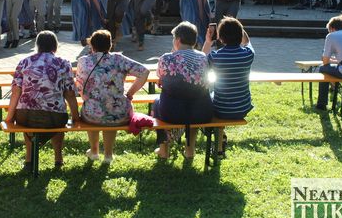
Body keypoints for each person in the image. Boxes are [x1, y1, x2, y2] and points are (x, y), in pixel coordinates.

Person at [4, 31, 80, 170]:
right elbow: (70, 94)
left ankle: (29, 160)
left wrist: (9, 117)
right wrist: (76, 117)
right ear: (55, 46)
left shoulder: (24, 62)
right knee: (59, 119)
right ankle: (58, 159)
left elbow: (16, 92)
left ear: (37, 46)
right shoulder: (64, 63)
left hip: (25, 116)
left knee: (26, 116)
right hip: (55, 117)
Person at [75, 30, 149, 163]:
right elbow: (145, 72)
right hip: (119, 113)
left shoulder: (83, 61)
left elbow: (79, 88)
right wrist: (130, 93)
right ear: (110, 45)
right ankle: (108, 155)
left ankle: (94, 151)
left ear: (92, 45)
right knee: (112, 111)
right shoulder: (119, 59)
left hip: (91, 114)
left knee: (92, 108)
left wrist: (89, 98)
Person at [153, 22, 214, 160]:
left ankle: (164, 150)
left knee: (157, 101)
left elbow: (160, 76)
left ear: (178, 40)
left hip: (172, 113)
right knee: (194, 100)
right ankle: (190, 149)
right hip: (202, 113)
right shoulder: (203, 58)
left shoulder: (166, 58)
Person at [202, 17, 254, 157]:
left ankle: (219, 144)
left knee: (210, 97)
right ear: (240, 35)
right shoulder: (248, 55)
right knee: (221, 97)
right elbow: (247, 42)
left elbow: (200, 60)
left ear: (220, 38)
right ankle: (220, 145)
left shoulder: (215, 56)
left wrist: (208, 41)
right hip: (242, 108)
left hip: (221, 109)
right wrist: (241, 30)